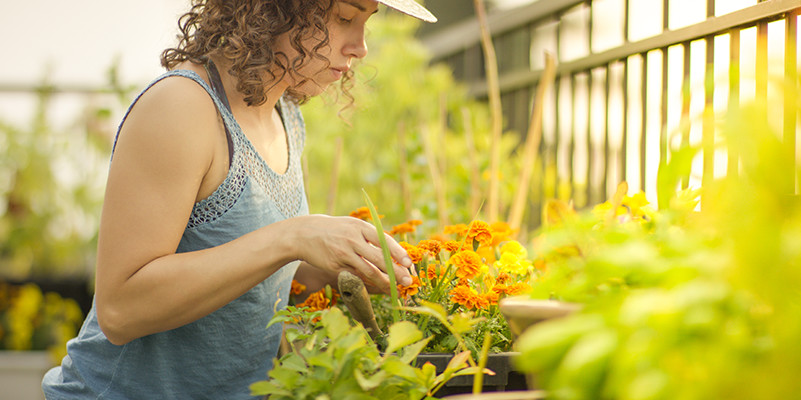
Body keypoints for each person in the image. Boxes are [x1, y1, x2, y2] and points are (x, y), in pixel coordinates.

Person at [41, 0, 436, 398]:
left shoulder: (284, 115)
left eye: (366, 22)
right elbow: (120, 310)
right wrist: (293, 237)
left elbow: (240, 265)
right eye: (344, 18)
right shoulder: (183, 107)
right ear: (277, 9)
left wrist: (336, 264)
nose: (360, 46)